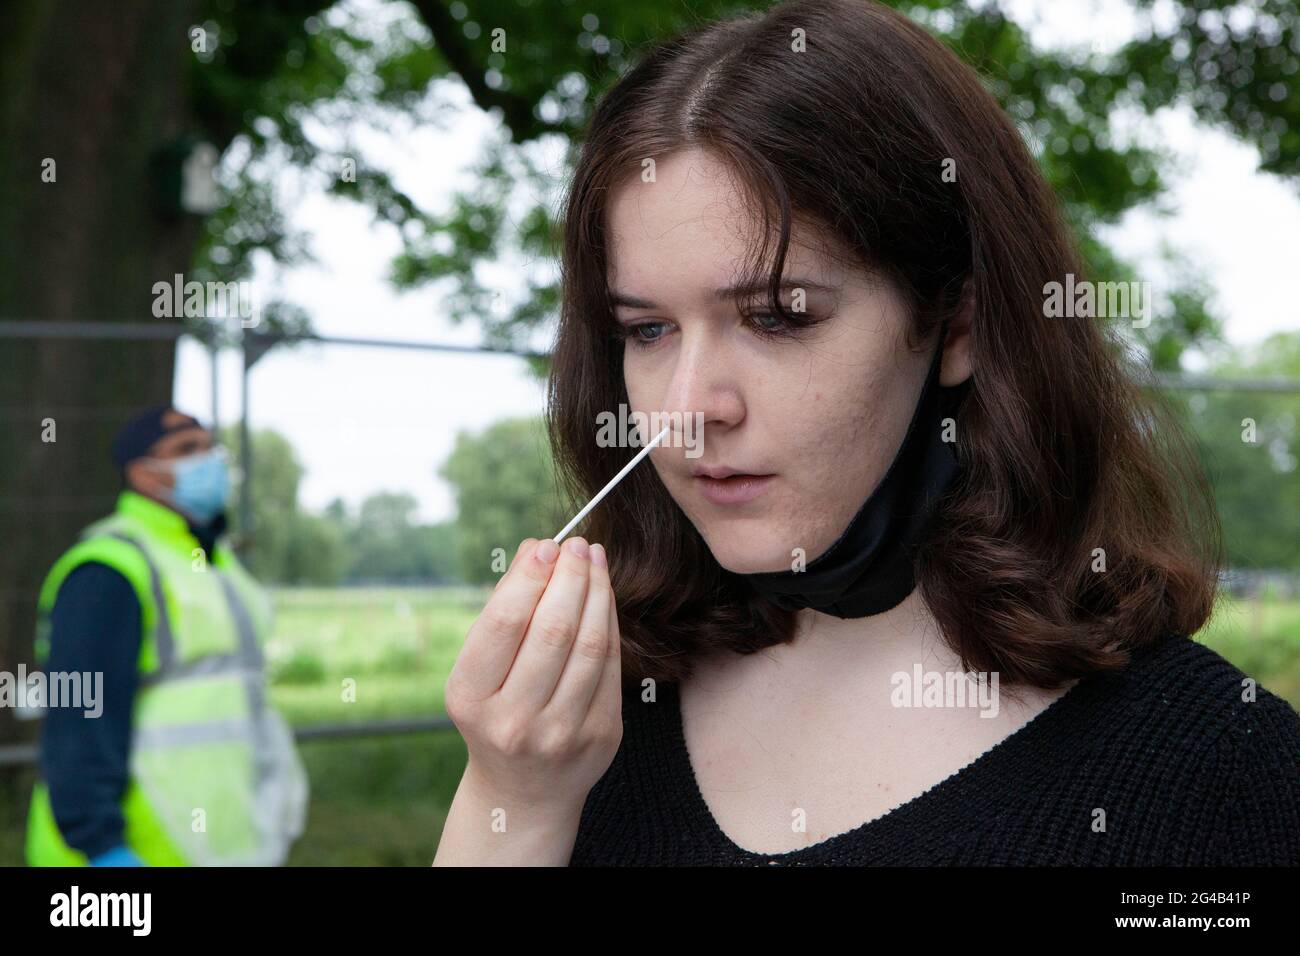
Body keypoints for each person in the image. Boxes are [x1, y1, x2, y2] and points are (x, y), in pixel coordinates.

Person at [433, 0, 1300, 866]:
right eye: (648, 330)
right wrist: (513, 803)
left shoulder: (1218, 770)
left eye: (777, 317)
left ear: (957, 321)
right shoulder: (581, 731)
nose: (689, 406)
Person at [26, 405, 307, 866]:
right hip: (124, 854)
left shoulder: (213, 560)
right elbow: (77, 713)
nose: (208, 459)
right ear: (143, 473)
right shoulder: (109, 567)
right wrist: (102, 845)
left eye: (209, 446)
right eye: (185, 450)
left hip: (212, 846)